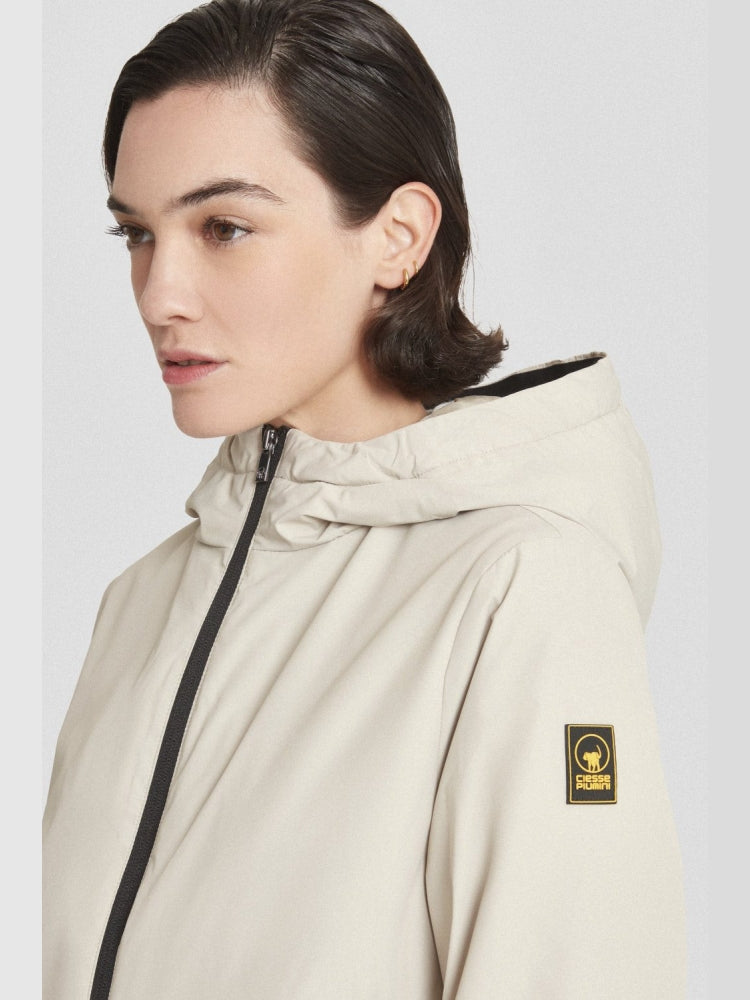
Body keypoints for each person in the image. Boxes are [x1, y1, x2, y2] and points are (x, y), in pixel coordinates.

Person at [42, 0, 687, 997]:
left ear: (398, 237)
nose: (160, 292)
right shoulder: (137, 609)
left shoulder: (524, 590)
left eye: (223, 227)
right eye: (137, 233)